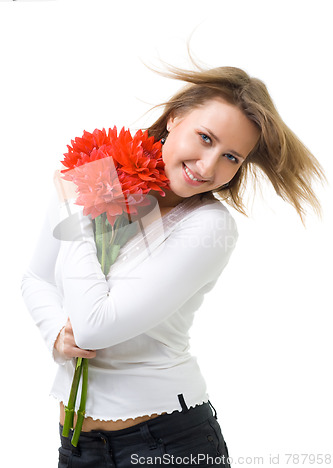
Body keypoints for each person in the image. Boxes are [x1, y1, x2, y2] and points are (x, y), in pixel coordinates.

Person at [21, 64, 325, 467]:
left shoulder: (209, 226)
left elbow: (96, 327)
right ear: (175, 118)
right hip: (76, 447)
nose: (207, 166)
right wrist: (57, 336)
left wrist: (77, 203)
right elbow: (36, 277)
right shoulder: (105, 177)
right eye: (205, 138)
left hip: (165, 445)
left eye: (230, 157)